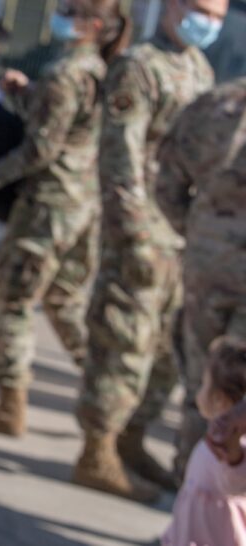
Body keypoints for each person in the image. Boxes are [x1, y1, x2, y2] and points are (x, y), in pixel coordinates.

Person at [74, 0, 227, 501]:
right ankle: (97, 450)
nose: (210, 23)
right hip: (139, 232)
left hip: (182, 236)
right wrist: (135, 234)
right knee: (123, 339)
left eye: (220, 16)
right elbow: (120, 156)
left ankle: (131, 439)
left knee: (164, 351)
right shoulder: (139, 66)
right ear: (173, 6)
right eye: (202, 9)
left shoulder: (199, 68)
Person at [0, 0, 131, 437]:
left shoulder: (66, 73)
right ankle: (110, 386)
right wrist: (28, 96)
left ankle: (11, 403)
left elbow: (41, 149)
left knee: (15, 302)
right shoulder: (102, 70)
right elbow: (68, 128)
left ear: (94, 24)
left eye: (69, 9)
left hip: (48, 205)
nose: (59, 13)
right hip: (81, 205)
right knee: (64, 301)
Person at [156, 77, 246, 479]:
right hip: (210, 262)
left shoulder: (214, 103)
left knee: (203, 387)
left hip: (208, 263)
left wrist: (199, 232)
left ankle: (191, 505)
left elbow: (168, 183)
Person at [162, 337, 246, 546]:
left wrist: (233, 456)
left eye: (203, 384)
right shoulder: (215, 439)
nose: (199, 391)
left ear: (220, 400)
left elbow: (235, 484)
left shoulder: (228, 445)